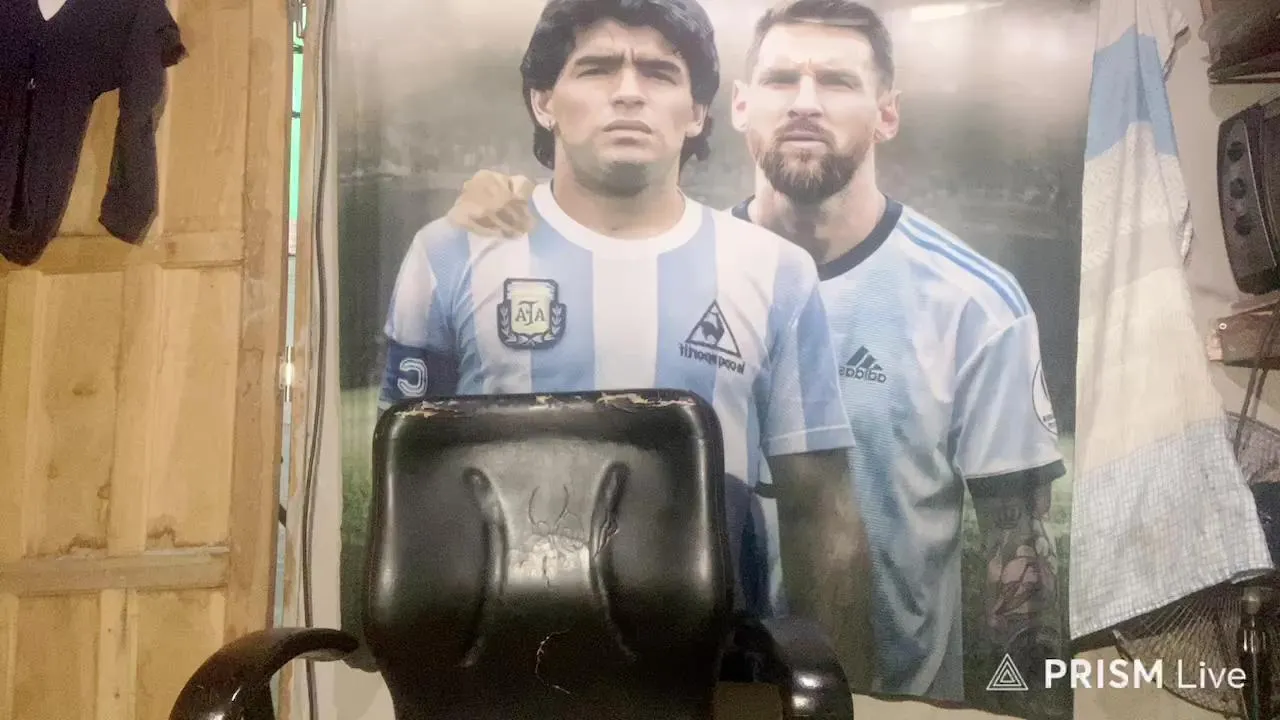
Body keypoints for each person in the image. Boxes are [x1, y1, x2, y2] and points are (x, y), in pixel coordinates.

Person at [444, 0, 1068, 705]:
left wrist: (1029, 704)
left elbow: (1022, 556)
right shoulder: (668, 275)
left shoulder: (975, 303)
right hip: (697, 695)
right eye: (780, 79)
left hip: (886, 702)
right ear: (738, 106)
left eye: (837, 81)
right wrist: (492, 214)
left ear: (887, 113)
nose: (805, 103)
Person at [378, 0, 876, 685]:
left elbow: (822, 512)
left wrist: (836, 692)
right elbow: (407, 492)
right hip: (497, 682)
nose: (629, 92)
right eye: (597, 67)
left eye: (660, 72)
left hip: (715, 681)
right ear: (543, 101)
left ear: (696, 112)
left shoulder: (775, 271)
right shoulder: (448, 256)